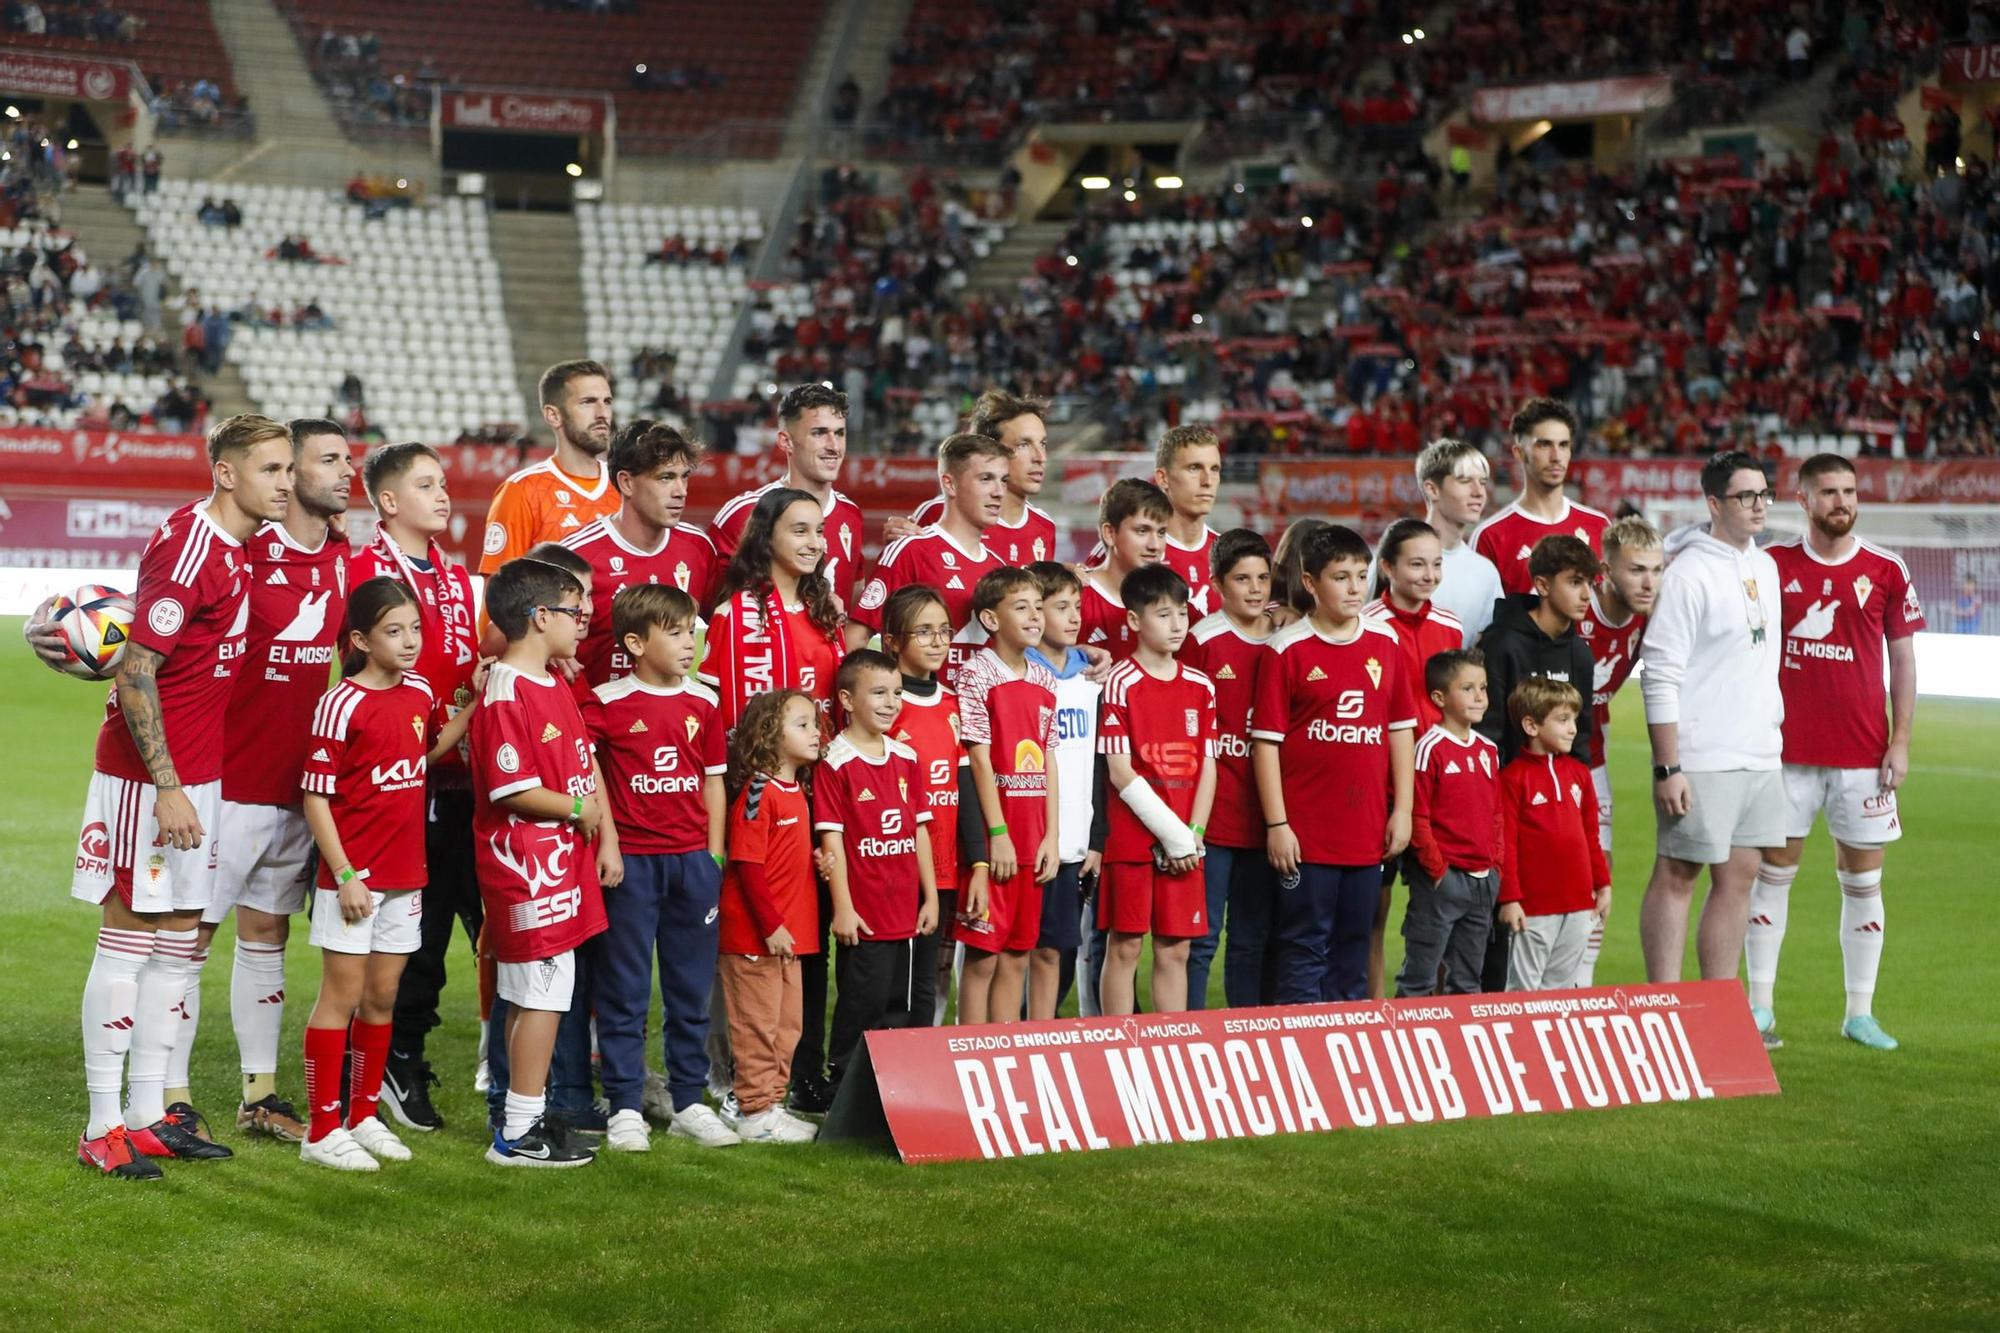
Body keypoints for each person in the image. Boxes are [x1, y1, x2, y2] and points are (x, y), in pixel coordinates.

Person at [70, 414, 293, 1178]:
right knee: (129, 945)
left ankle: (145, 1115)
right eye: (272, 469)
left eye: (288, 467)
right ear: (227, 473)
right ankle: (101, 1126)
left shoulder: (243, 546)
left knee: (175, 951)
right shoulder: (189, 545)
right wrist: (167, 787)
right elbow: (136, 671)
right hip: (147, 781)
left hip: (201, 776)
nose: (286, 481)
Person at [187, 418, 353, 1145]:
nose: (341, 472)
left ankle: (259, 1094)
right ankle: (171, 1094)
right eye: (325, 460)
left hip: (296, 789)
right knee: (187, 940)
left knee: (266, 935)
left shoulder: (347, 557)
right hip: (222, 781)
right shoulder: (245, 549)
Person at [297, 578, 475, 1170]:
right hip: (355, 879)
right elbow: (316, 798)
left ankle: (364, 1115)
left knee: (382, 999)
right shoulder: (340, 703)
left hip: (407, 876)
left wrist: (472, 705)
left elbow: (421, 754)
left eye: (415, 630)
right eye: (393, 632)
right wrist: (344, 873)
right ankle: (321, 1130)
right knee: (340, 999)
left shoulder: (421, 690)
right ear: (360, 640)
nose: (409, 642)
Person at [1750, 454, 1923, 1051]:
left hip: (1863, 757)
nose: (1842, 502)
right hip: (1785, 753)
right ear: (1802, 500)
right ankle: (1760, 1008)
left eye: (1849, 491)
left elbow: (1902, 659)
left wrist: (1900, 740)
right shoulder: (1771, 566)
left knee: (1864, 883)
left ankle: (1859, 1014)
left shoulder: (1885, 568)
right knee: (1773, 877)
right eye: (1828, 492)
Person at [349, 443, 481, 1132]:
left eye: (444, 481)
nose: (444, 493)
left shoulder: (457, 579)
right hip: (401, 783)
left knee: (477, 930)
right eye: (426, 484)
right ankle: (394, 1059)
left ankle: (503, 1065)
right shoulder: (364, 570)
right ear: (389, 501)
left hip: (463, 778)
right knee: (414, 941)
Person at [582, 584, 738, 1150]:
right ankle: (624, 1104)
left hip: (692, 864)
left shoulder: (704, 701)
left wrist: (712, 854)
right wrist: (612, 843)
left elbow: (713, 779)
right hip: (634, 868)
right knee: (624, 989)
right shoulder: (606, 700)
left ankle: (690, 1100)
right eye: (673, 632)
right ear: (634, 642)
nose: (687, 642)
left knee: (689, 990)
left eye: (690, 631)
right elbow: (591, 771)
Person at [472, 558, 613, 1167]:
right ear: (539, 617)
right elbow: (511, 788)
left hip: (560, 864)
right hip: (529, 867)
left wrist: (596, 827)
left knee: (536, 994)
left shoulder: (553, 680)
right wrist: (581, 808)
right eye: (574, 612)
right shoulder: (506, 690)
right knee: (542, 997)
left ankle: (522, 1115)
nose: (584, 622)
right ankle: (517, 1134)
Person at [1639, 451, 1785, 989]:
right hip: (1701, 757)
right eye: (1746, 496)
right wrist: (1667, 765)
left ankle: (1718, 1012)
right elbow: (1660, 673)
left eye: (1764, 494)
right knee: (1678, 874)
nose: (1759, 506)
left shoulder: (1765, 566)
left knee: (1741, 879)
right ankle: (1665, 1004)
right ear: (1714, 504)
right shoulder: (1688, 572)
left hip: (1759, 754)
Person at [1255, 525, 1417, 1004]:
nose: (1353, 588)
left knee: (1354, 949)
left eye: (1361, 576)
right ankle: (1297, 1058)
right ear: (1310, 583)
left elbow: (1399, 731)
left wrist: (1402, 809)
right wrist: (1278, 823)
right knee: (1304, 949)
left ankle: (1346, 1065)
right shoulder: (1287, 650)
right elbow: (1266, 744)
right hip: (1306, 835)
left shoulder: (1385, 644)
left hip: (1366, 833)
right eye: (1340, 577)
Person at [1096, 566, 1217, 1016]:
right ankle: (1117, 1045)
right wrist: (1173, 835)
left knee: (1176, 949)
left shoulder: (1201, 687)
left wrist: (1195, 832)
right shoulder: (1119, 682)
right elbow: (1120, 771)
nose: (1177, 624)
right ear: (1133, 621)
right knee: (1125, 946)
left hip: (1188, 838)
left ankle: (1172, 1044)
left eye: (1182, 613)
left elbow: (1208, 765)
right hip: (1134, 839)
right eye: (1163, 614)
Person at [817, 650, 939, 1087]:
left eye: (897, 693)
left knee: (897, 1005)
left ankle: (889, 1091)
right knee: (859, 1002)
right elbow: (832, 840)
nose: (891, 702)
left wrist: (931, 896)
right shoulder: (835, 762)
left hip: (904, 910)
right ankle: (840, 1084)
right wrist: (843, 908)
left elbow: (919, 830)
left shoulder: (906, 757)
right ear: (847, 700)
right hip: (865, 915)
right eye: (879, 693)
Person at [954, 568, 1061, 1024]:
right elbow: (979, 759)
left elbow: (1049, 759)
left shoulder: (1045, 678)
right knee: (983, 958)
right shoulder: (976, 674)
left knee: (1019, 954)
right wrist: (996, 832)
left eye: (1039, 607)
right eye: (1022, 607)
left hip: (1034, 841)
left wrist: (1052, 836)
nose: (1035, 616)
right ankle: (968, 1055)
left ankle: (1002, 1054)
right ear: (990, 620)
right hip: (1001, 838)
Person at [716, 689, 823, 1144]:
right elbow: (748, 867)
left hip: (789, 937)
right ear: (768, 735)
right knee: (757, 1026)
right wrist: (771, 926)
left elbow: (783, 859)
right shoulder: (759, 792)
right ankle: (755, 1111)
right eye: (802, 724)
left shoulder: (796, 790)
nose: (815, 732)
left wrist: (819, 860)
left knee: (787, 1027)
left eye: (815, 723)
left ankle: (768, 1103)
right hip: (756, 938)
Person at [1363, 518, 1463, 998]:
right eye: (1417, 563)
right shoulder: (1366, 628)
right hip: (1380, 793)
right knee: (1373, 915)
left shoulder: (1451, 627)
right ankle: (1374, 1011)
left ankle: (1431, 1010)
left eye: (1437, 563)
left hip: (1441, 794)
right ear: (1388, 567)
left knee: (1442, 912)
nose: (1429, 574)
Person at [880, 585, 987, 1026]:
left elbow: (963, 787)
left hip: (943, 868)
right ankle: (869, 1080)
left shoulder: (951, 704)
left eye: (944, 631)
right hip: (894, 868)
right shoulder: (885, 704)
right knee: (888, 981)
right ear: (892, 641)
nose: (939, 641)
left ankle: (919, 1077)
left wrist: (978, 862)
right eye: (923, 632)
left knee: (928, 977)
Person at [1182, 529, 1277, 1008]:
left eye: (1263, 577)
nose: (1256, 589)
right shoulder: (1203, 640)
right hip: (1214, 818)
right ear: (1218, 583)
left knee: (1252, 938)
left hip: (1267, 819)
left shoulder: (1286, 639)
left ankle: (1247, 1026)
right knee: (1202, 939)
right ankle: (1192, 1033)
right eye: (1243, 579)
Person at [1571, 515, 1662, 984]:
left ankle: (1582, 984)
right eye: (1636, 570)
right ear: (1605, 572)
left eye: (1656, 570)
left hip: (1594, 758)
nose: (1649, 582)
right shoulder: (1574, 609)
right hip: (1538, 761)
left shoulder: (1651, 618)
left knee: (1598, 869)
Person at [562, 419, 718, 689]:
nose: (681, 491)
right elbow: (510, 637)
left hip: (670, 721)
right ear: (627, 483)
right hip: (595, 721)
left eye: (684, 477)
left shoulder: (698, 548)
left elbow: (716, 629)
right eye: (666, 477)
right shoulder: (577, 555)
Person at [851, 432, 1009, 678]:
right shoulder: (911, 550)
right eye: (986, 479)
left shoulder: (999, 568)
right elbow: (856, 637)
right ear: (950, 484)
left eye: (1004, 480)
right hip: (920, 710)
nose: (999, 492)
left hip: (980, 713)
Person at [1397, 649, 1502, 997]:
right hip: (1444, 881)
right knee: (1420, 978)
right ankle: (1404, 1044)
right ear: (1439, 697)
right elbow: (1418, 814)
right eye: (1468, 688)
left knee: (1468, 981)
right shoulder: (1431, 747)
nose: (1479, 696)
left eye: (1483, 688)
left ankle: (1460, 1048)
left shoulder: (1488, 750)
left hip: (1483, 881)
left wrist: (1495, 865)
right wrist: (1438, 870)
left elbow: (1496, 813)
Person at [710, 383, 867, 613]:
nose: (834, 446)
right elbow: (714, 606)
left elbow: (853, 595)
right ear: (786, 441)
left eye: (840, 433)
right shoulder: (744, 513)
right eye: (819, 433)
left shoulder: (850, 514)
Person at [1497, 679, 1611, 990]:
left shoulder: (1580, 775)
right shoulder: (1512, 779)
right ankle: (1520, 1041)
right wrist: (1510, 899)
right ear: (1531, 725)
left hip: (1578, 903)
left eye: (1574, 718)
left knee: (1561, 989)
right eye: (1562, 720)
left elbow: (1591, 836)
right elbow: (1504, 844)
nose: (1573, 728)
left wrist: (1602, 885)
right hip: (1533, 908)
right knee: (1523, 989)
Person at [701, 487, 846, 733]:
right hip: (763, 767)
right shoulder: (734, 616)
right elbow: (711, 710)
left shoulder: (826, 611)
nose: (815, 543)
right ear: (766, 537)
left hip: (828, 762)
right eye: (800, 531)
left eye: (819, 531)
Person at [1024, 562, 1101, 1019]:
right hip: (1026, 834)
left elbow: (1097, 762)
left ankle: (1039, 1042)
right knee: (1009, 953)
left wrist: (1096, 839)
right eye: (1061, 607)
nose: (1074, 616)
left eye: (1077, 605)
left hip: (1073, 838)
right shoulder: (1017, 672)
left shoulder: (1090, 676)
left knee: (1054, 950)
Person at [478, 359, 619, 575]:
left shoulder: (623, 487)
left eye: (607, 401)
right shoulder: (522, 491)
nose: (603, 413)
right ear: (553, 415)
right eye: (588, 402)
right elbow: (497, 597)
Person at [892, 389, 1059, 565]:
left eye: (1043, 444)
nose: (1041, 457)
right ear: (989, 449)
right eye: (1023, 445)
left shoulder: (1045, 526)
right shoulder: (938, 511)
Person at [1474, 536, 1599, 765]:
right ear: (1542, 585)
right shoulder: (1502, 644)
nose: (1587, 594)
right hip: (1508, 790)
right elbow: (1487, 733)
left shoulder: (1580, 654)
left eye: (1590, 584)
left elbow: (1579, 739)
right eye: (1575, 582)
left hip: (1558, 793)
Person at [1471, 399, 1611, 595]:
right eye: (1544, 445)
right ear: (1519, 453)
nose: (1556, 456)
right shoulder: (1491, 536)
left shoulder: (1599, 525)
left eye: (1563, 445)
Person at [1085, 426, 1224, 616]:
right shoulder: (1126, 548)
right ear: (1163, 478)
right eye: (1194, 468)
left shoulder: (1226, 553)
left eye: (1214, 469)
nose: (1207, 480)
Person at [1406, 438, 1503, 643]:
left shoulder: (1485, 572)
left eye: (1483, 482)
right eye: (1465, 481)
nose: (1478, 492)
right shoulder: (1395, 562)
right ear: (1433, 489)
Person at [1078, 478, 1171, 660]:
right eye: (1142, 531)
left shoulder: (1168, 600)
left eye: (1161, 533)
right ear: (1110, 533)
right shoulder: (1076, 595)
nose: (1155, 545)